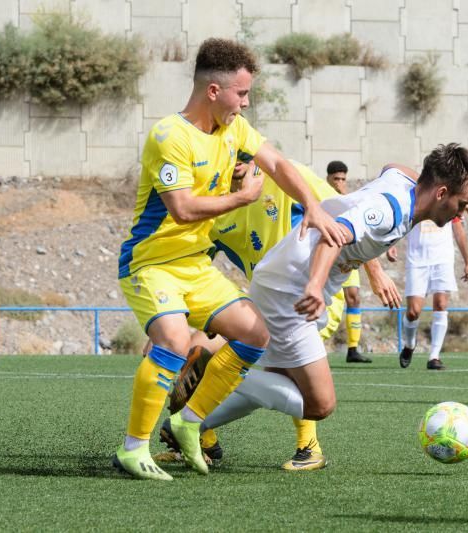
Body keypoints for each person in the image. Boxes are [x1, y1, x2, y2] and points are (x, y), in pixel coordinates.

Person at [166, 144, 468, 471]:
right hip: (290, 293)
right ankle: (209, 373)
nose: (461, 213)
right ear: (441, 192)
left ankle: (190, 423)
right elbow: (334, 237)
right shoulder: (389, 211)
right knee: (319, 405)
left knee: (276, 380)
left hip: (281, 280)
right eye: (461, 204)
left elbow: (393, 163)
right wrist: (315, 287)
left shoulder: (405, 183)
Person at [112, 38, 345, 481]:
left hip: (195, 266)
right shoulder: (169, 135)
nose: (246, 102)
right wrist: (241, 199)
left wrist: (313, 206)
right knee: (175, 341)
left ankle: (189, 423)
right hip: (151, 263)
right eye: (241, 93)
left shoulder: (234, 130)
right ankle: (132, 449)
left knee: (255, 332)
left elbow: (277, 163)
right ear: (214, 91)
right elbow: (181, 207)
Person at [157, 153, 399, 471]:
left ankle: (306, 447)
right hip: (267, 300)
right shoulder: (213, 210)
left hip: (313, 297)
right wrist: (170, 314)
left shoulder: (284, 176)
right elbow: (193, 264)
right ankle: (203, 441)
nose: (238, 158)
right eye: (229, 151)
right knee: (193, 352)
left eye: (243, 150)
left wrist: (375, 270)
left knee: (263, 369)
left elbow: (347, 216)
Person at [388, 214, 468, 370]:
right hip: (417, 260)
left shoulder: (448, 194)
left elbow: (458, 229)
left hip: (443, 259)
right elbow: (402, 220)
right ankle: (410, 344)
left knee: (441, 304)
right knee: (413, 312)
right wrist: (391, 244)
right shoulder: (415, 192)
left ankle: (434, 356)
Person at [325, 160, 371, 363]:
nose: (340, 182)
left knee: (354, 297)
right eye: (336, 178)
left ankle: (353, 348)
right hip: (326, 254)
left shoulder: (347, 197)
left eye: (343, 179)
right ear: (328, 178)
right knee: (325, 299)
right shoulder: (322, 194)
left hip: (346, 253)